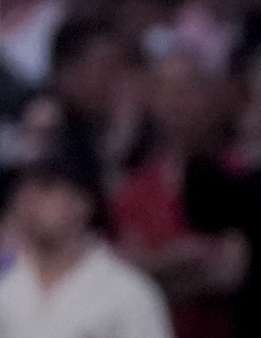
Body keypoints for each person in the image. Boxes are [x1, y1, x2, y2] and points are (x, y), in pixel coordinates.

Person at [0, 145, 174, 338]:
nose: (29, 198)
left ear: (83, 202)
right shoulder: (6, 283)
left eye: (46, 188)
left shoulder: (129, 293)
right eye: (22, 188)